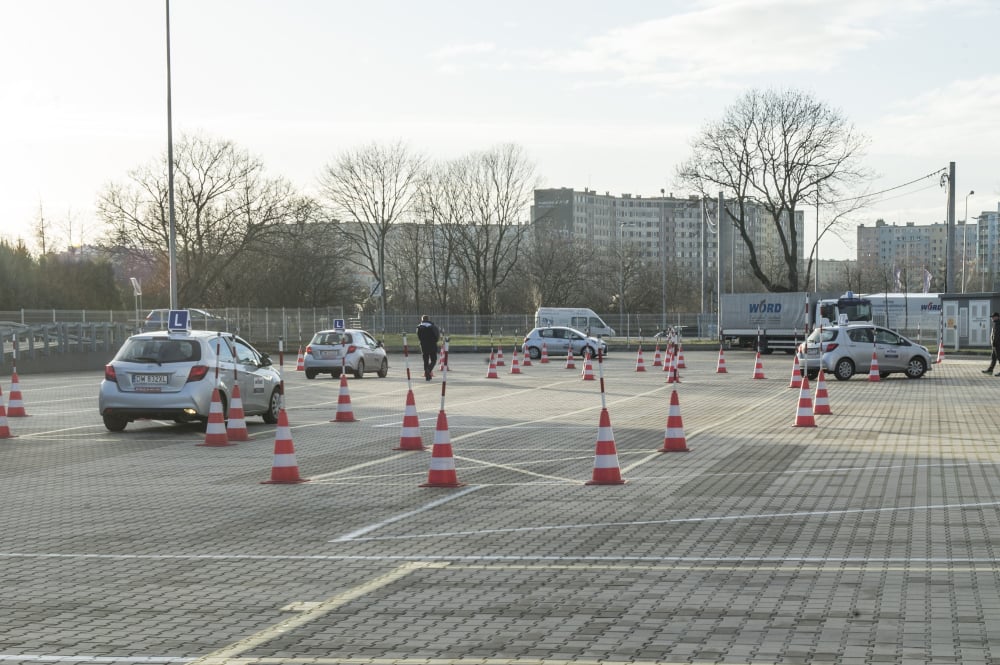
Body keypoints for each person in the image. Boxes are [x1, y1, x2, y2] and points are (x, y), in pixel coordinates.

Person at [416, 314, 441, 381]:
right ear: (428, 319)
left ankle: (427, 376)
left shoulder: (419, 327)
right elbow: (437, 335)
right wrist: (435, 341)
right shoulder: (433, 326)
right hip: (432, 345)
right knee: (433, 360)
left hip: (423, 345)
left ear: (422, 320)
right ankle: (429, 369)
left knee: (425, 360)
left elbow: (419, 337)